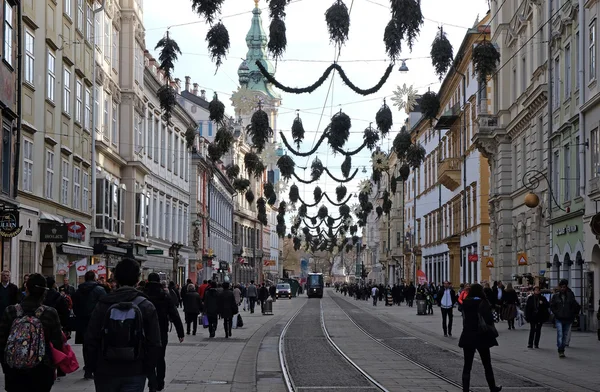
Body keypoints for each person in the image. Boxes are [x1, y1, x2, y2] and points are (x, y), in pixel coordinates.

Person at [85, 258, 162, 392]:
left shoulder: (103, 304)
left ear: (115, 279)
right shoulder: (145, 305)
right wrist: (150, 372)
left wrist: (92, 367)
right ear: (137, 280)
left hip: (106, 370)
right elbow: (155, 343)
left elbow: (90, 339)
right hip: (135, 370)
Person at [0, 273, 63, 392]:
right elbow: (57, 342)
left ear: (26, 288)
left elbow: (2, 341)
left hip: (14, 369)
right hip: (41, 369)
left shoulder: (11, 311)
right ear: (44, 292)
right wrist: (52, 366)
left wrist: (7, 368)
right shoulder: (49, 313)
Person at [144, 273, 185, 392]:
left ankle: (152, 382)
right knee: (160, 358)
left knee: (147, 357)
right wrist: (180, 333)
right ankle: (160, 382)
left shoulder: (143, 294)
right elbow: (174, 314)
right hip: (161, 330)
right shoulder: (164, 295)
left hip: (145, 331)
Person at [458, 283, 502, 392]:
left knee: (467, 366)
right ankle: (492, 388)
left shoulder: (466, 302)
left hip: (468, 335)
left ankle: (465, 390)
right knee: (487, 364)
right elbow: (489, 319)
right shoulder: (483, 302)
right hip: (482, 336)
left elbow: (464, 318)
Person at [72, 270, 106, 379]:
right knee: (96, 344)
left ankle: (87, 366)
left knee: (86, 344)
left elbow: (74, 306)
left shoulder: (78, 290)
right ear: (94, 278)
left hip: (82, 320)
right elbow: (105, 304)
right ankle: (93, 366)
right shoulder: (100, 290)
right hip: (96, 320)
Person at [550, 279, 580, 358]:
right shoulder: (556, 296)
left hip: (568, 318)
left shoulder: (570, 295)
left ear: (566, 287)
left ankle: (562, 348)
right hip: (559, 318)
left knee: (565, 335)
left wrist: (572, 314)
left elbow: (574, 305)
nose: (563, 288)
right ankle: (560, 350)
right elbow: (552, 306)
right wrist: (556, 313)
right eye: (561, 287)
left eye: (564, 287)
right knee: (560, 334)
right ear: (559, 287)